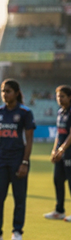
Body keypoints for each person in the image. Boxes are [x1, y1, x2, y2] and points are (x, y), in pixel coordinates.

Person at [0, 79, 36, 240]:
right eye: (3, 91)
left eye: (8, 91)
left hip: (18, 161)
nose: (5, 94)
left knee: (19, 198)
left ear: (16, 93)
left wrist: (25, 163)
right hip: (1, 161)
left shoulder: (25, 112)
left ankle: (17, 232)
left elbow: (29, 139)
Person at [44, 85, 71, 222]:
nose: (59, 99)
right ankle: (59, 210)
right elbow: (59, 134)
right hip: (61, 153)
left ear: (70, 97)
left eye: (62, 96)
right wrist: (55, 150)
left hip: (69, 152)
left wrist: (62, 149)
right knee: (58, 180)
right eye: (58, 96)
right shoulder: (60, 112)